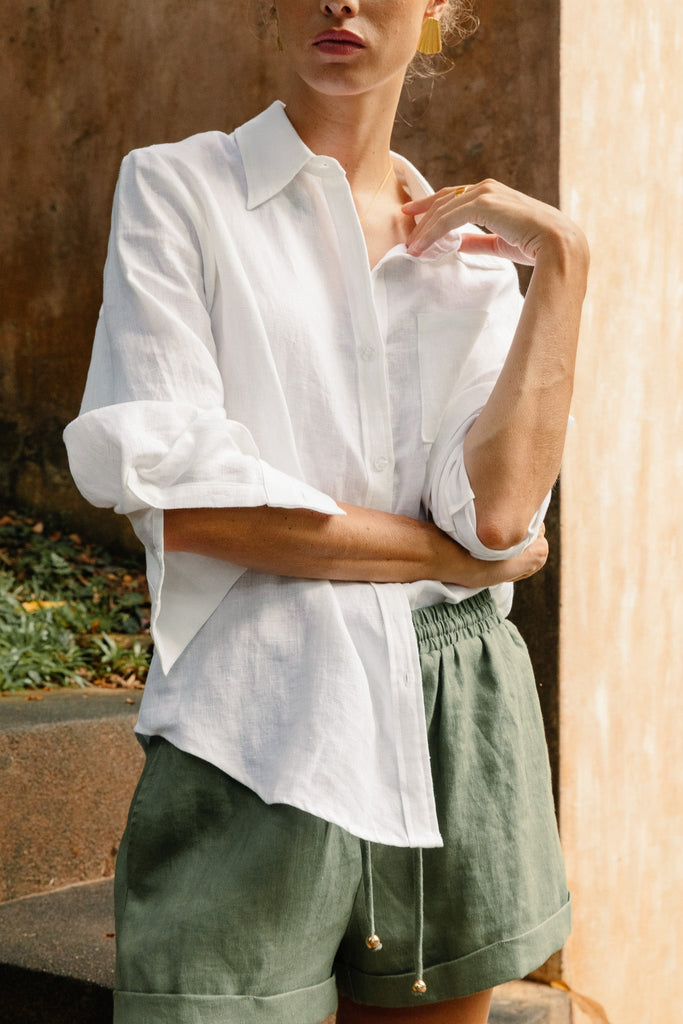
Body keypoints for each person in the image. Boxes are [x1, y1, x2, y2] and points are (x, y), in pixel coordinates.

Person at [64, 1, 589, 1021]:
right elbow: (193, 510)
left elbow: (493, 517)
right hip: (252, 718)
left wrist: (562, 264)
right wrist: (458, 557)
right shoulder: (180, 190)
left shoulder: (475, 257)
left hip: (457, 715)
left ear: (436, 7)